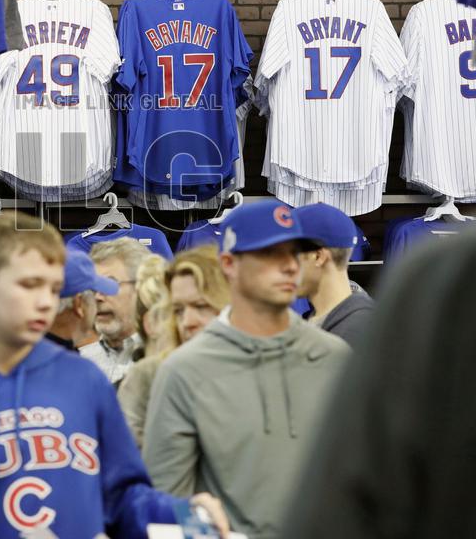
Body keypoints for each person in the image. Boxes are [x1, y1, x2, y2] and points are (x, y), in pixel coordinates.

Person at [0, 212, 231, 539]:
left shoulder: (86, 382)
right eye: (28, 285)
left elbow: (123, 498)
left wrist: (184, 514)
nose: (45, 301)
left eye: (52, 287)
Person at [283, 200, 476, 538]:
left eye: (287, 254)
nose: (281, 267)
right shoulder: (321, 324)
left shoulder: (370, 324)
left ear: (318, 255)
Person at [143, 200, 350, 539]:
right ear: (229, 264)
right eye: (270, 254)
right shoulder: (186, 370)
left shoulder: (335, 357)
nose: (288, 266)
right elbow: (170, 500)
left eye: (295, 252)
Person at [120, 245, 229, 448]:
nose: (187, 321)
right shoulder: (148, 377)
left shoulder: (266, 369)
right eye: (178, 310)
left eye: (201, 306)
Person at [294, 203, 375, 348]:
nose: (284, 267)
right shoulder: (320, 321)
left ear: (318, 257)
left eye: (290, 255)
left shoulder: (357, 332)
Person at [81, 237, 152, 384]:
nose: (98, 297)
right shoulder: (79, 363)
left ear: (141, 288)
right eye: (93, 287)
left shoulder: (168, 362)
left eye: (109, 284)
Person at [45, 249, 108, 352]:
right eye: (94, 294)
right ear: (79, 304)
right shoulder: (78, 366)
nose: (99, 299)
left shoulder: (16, 351)